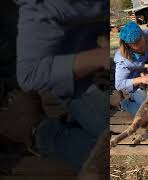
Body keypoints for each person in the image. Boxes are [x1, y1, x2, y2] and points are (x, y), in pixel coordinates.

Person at [0, 0, 108, 171]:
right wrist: (100, 57)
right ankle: (40, 133)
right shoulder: (40, 9)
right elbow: (30, 75)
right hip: (81, 84)